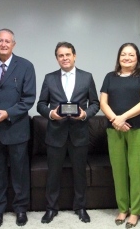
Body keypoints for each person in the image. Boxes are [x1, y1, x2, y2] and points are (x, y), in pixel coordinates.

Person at [37, 42, 100, 224]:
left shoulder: (86, 77)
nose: (64, 58)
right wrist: (51, 114)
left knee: (80, 173)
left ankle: (80, 207)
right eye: (60, 55)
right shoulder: (49, 78)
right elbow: (41, 104)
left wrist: (84, 114)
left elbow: (95, 103)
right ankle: (51, 209)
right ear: (57, 58)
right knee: (53, 174)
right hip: (55, 134)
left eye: (67, 54)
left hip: (79, 133)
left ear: (74, 56)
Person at [0, 29, 36, 227]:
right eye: (0, 41)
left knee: (19, 173)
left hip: (17, 129)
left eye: (7, 41)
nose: (3, 44)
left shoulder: (26, 66)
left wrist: (8, 113)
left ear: (13, 44)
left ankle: (21, 209)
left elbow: (28, 99)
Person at [100, 43, 140, 229]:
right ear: (119, 57)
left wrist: (123, 117)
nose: (127, 57)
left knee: (138, 172)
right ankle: (123, 209)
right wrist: (116, 120)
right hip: (114, 129)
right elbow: (103, 103)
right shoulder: (109, 77)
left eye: (131, 54)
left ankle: (136, 211)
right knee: (119, 171)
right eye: (123, 54)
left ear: (137, 57)